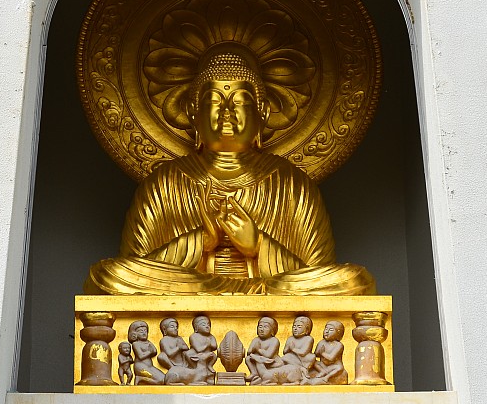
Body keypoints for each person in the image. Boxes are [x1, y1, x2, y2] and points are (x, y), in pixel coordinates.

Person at [85, 44, 375, 295]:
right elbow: (135, 270)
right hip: (190, 293)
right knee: (108, 275)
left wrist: (258, 246)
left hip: (269, 296)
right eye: (214, 100)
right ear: (193, 112)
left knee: (353, 280)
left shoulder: (293, 185)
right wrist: (201, 242)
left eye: (240, 101)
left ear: (262, 112)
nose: (226, 112)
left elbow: (317, 273)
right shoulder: (163, 183)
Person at [303, 320, 348, 385]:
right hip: (322, 366)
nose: (326, 331)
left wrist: (322, 353)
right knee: (313, 361)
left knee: (339, 368)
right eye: (326, 329)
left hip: (333, 366)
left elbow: (331, 358)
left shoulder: (339, 345)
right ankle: (322, 372)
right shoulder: (322, 342)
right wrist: (318, 352)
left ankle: (327, 377)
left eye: (331, 330)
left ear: (338, 333)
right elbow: (316, 354)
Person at [126, 320, 165, 385]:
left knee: (164, 379)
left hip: (150, 366)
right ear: (134, 334)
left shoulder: (148, 342)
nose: (144, 333)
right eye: (141, 331)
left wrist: (150, 352)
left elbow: (155, 351)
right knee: (160, 381)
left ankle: (142, 379)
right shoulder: (136, 344)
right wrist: (149, 352)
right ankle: (140, 378)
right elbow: (141, 356)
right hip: (141, 367)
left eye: (145, 331)